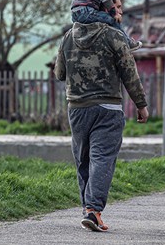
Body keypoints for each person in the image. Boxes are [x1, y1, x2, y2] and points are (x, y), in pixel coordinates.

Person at [54, 16, 150, 232]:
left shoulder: (68, 36)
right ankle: (93, 210)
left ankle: (88, 209)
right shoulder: (114, 35)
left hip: (77, 107)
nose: (118, 15)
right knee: (102, 158)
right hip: (108, 107)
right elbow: (129, 73)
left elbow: (60, 74)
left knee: (83, 158)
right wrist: (141, 104)